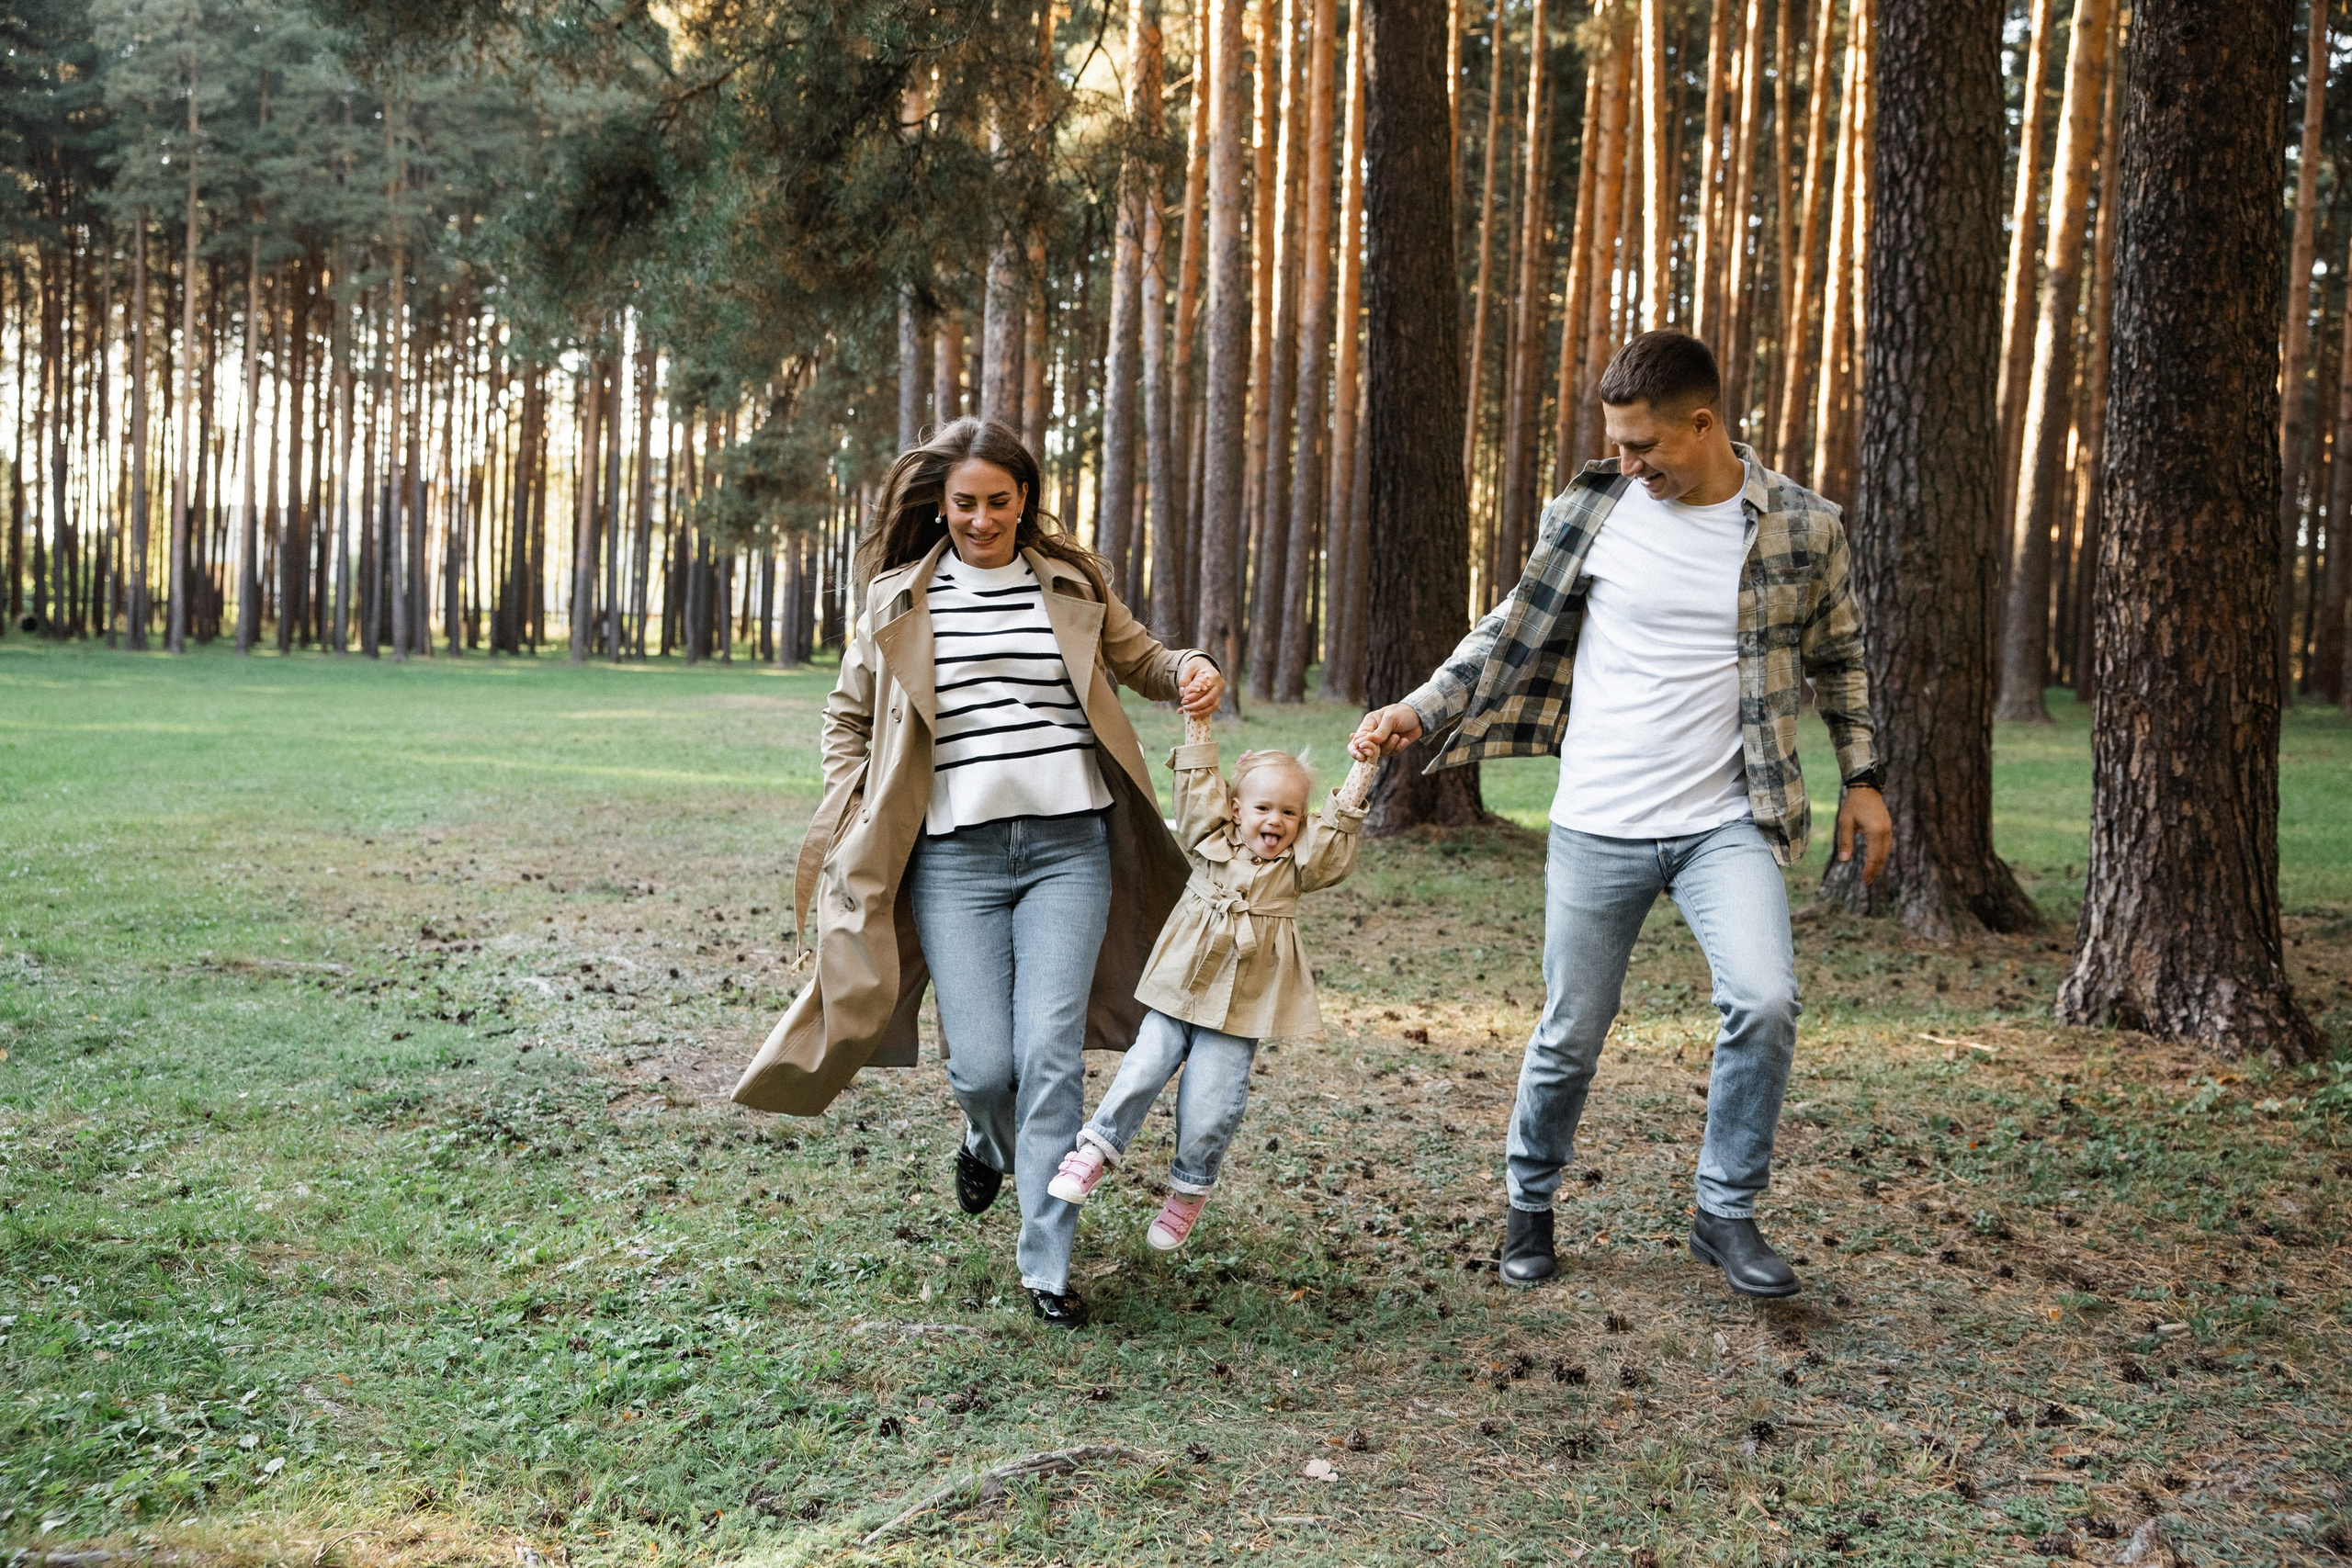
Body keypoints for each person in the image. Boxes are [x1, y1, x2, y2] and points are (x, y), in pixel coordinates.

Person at [1351, 331, 1893, 1299]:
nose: (1627, 464)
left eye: (1646, 447)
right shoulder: (1590, 510)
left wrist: (1864, 777)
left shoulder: (1804, 528)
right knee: (1572, 1029)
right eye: (1617, 445)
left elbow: (1841, 660)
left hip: (1727, 819)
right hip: (1598, 821)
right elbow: (1508, 622)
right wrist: (1419, 706)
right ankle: (1530, 1199)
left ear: (1704, 422)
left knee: (1763, 1000)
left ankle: (1723, 1213)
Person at [729, 417, 1225, 1327]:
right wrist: (855, 799)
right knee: (984, 1067)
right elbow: (847, 718)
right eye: (966, 504)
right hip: (951, 858)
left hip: (1069, 849)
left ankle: (1046, 1268)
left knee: (1048, 1058)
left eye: (1000, 502)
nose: (983, 520)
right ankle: (984, 1142)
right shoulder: (895, 601)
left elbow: (1142, 661)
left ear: (1024, 499)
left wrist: (1188, 666)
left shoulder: (1071, 583)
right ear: (942, 504)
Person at [1046, 741, 1365, 1249]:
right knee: (1145, 1064)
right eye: (1263, 808)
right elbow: (1196, 793)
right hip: (1183, 986)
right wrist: (1198, 723)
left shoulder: (1296, 868)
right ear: (1236, 811)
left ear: (1303, 822)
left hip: (1243, 1005)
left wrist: (1362, 768)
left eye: (1290, 812)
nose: (1275, 821)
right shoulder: (1210, 841)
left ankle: (1188, 1192)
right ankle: (1094, 1151)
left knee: (1212, 1104)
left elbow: (1333, 845)